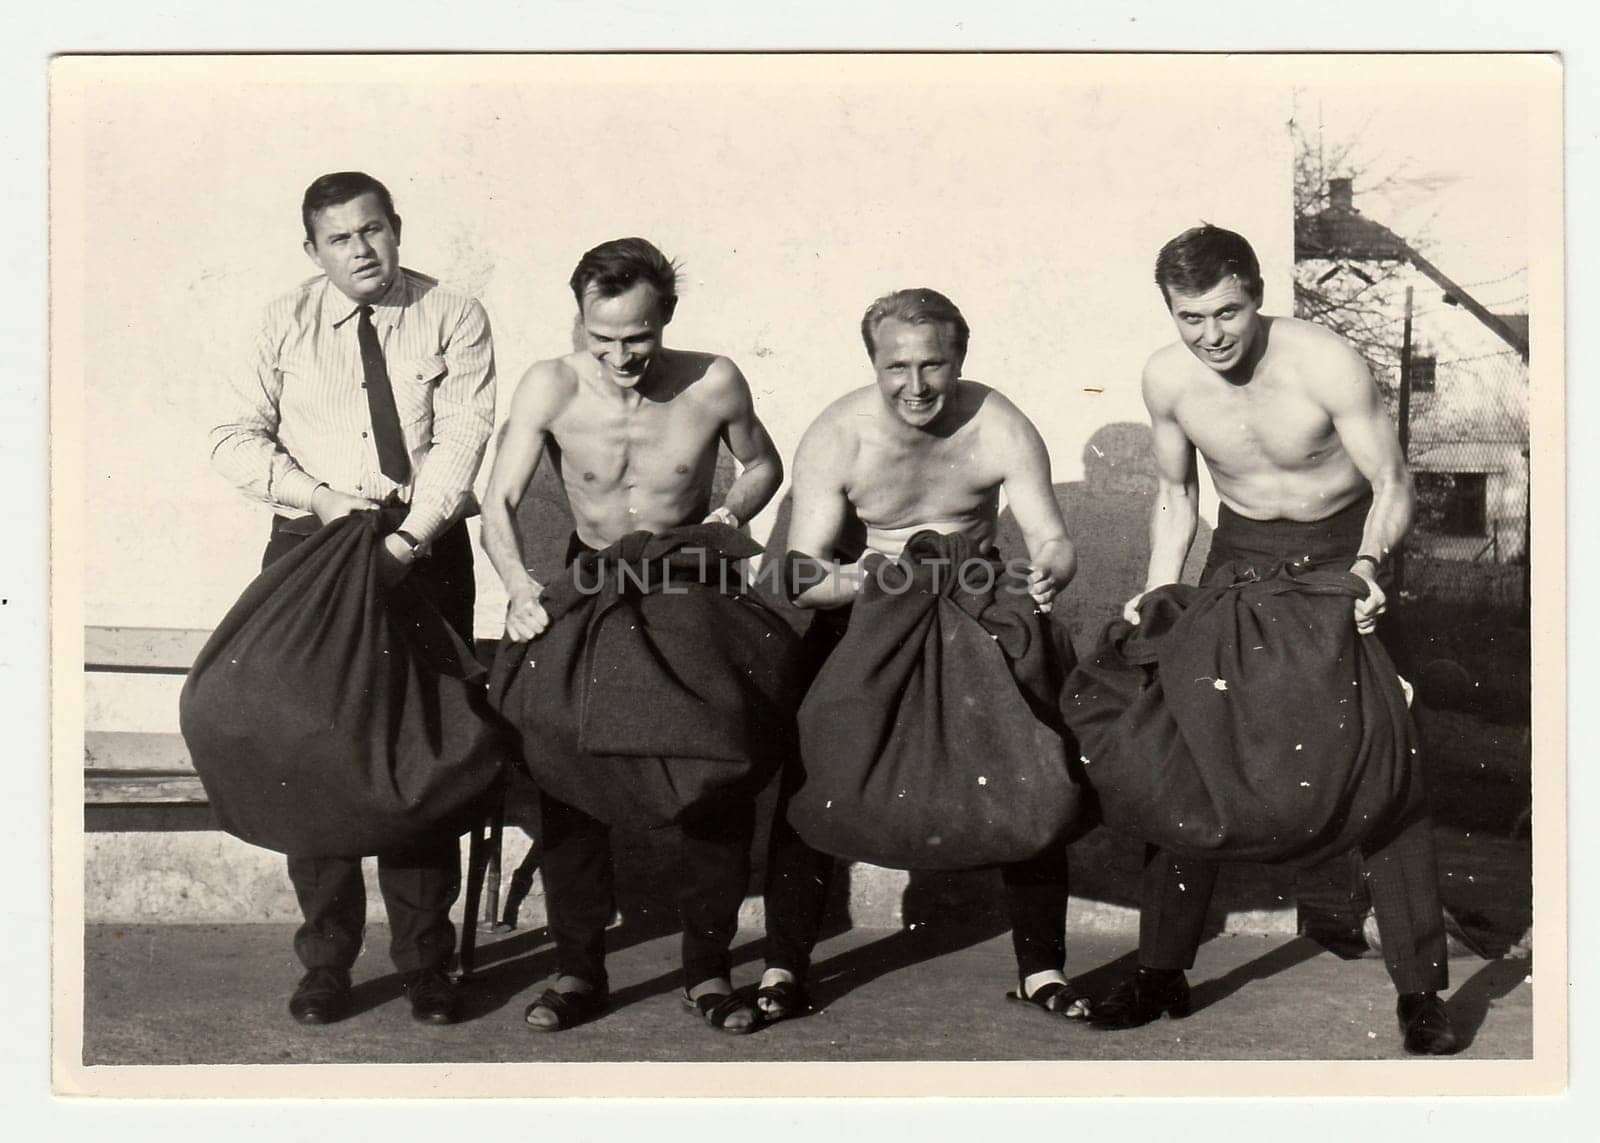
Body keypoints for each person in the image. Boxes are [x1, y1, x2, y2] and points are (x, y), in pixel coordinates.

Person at [1085, 224, 1460, 1055]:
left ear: (1257, 295)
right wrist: (1156, 585)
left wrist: (1368, 567)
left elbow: (1393, 481)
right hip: (1240, 560)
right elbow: (1179, 496)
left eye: (1228, 311)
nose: (1211, 334)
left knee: (1386, 764)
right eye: (1191, 317)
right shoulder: (1167, 378)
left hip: (1340, 556)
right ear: (1170, 313)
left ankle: (1422, 991)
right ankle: (1160, 971)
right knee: (1193, 757)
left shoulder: (1324, 362)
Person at [756, 287, 1091, 1023]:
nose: (916, 386)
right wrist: (891, 578)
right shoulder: (839, 433)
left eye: (933, 364)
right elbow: (803, 574)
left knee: (1028, 768)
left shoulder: (999, 424)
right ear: (873, 364)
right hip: (866, 608)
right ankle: (782, 966)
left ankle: (1042, 967)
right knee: (813, 774)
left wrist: (1052, 567)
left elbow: (1053, 540)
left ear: (959, 358)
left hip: (972, 606)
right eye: (896, 367)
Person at [210, 171, 496, 1026]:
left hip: (424, 547)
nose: (361, 250)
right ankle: (327, 962)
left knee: (418, 754)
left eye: (373, 231)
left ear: (397, 230)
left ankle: (427, 964)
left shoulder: (454, 314)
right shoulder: (281, 321)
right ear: (313, 250)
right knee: (312, 751)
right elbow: (232, 436)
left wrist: (411, 541)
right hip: (313, 548)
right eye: (339, 239)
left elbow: (465, 434)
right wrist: (323, 499)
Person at [480, 237, 785, 1034]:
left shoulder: (714, 379)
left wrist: (731, 512)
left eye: (638, 337)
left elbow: (763, 463)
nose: (619, 356)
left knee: (713, 770)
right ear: (580, 320)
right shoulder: (550, 383)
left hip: (689, 578)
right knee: (565, 763)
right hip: (591, 579)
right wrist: (517, 586)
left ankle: (708, 969)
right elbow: (498, 501)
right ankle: (578, 968)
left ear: (667, 318)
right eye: (601, 336)